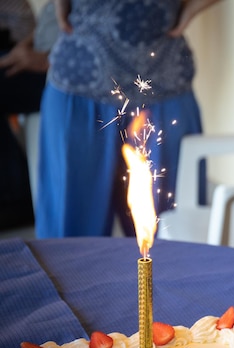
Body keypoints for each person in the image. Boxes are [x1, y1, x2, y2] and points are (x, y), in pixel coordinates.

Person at [35, 0, 220, 238]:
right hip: (78, 86)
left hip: (164, 86)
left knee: (171, 233)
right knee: (71, 238)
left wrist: (192, 7)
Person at [0, 0, 58, 230]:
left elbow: (28, 27)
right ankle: (15, 193)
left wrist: (46, 57)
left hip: (43, 66)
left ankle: (14, 196)